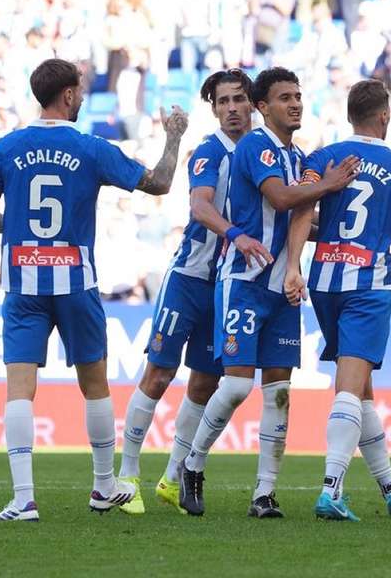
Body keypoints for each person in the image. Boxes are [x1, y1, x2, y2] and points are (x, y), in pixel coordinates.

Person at [0, 58, 189, 522]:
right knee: (94, 384)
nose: (84, 96)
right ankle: (103, 486)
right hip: (75, 280)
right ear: (68, 95)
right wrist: (173, 135)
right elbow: (160, 183)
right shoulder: (91, 148)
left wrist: (19, 234)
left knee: (19, 389)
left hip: (22, 281)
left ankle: (23, 499)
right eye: (82, 90)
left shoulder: (6, 147)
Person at [179, 67, 360, 519]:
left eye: (298, 95)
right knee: (238, 384)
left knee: (279, 391)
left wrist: (326, 247)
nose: (295, 103)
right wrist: (331, 184)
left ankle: (264, 493)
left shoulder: (299, 158)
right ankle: (192, 463)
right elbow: (281, 199)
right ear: (263, 107)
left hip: (281, 289)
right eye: (284, 97)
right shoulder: (257, 146)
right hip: (242, 281)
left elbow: (301, 213)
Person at [117, 69, 272, 515]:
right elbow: (200, 206)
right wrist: (236, 234)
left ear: (253, 104)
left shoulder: (266, 152)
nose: (231, 109)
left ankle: (172, 476)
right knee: (160, 373)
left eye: (238, 100)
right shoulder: (209, 151)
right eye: (222, 102)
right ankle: (127, 474)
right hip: (190, 277)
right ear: (214, 108)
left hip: (229, 284)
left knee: (206, 382)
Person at [283, 79, 391, 521]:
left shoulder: (322, 157)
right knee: (350, 387)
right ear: (384, 116)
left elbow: (300, 208)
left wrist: (295, 263)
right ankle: (331, 488)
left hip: (325, 282)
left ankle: (390, 488)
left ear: (350, 114)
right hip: (368, 285)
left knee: (362, 387)